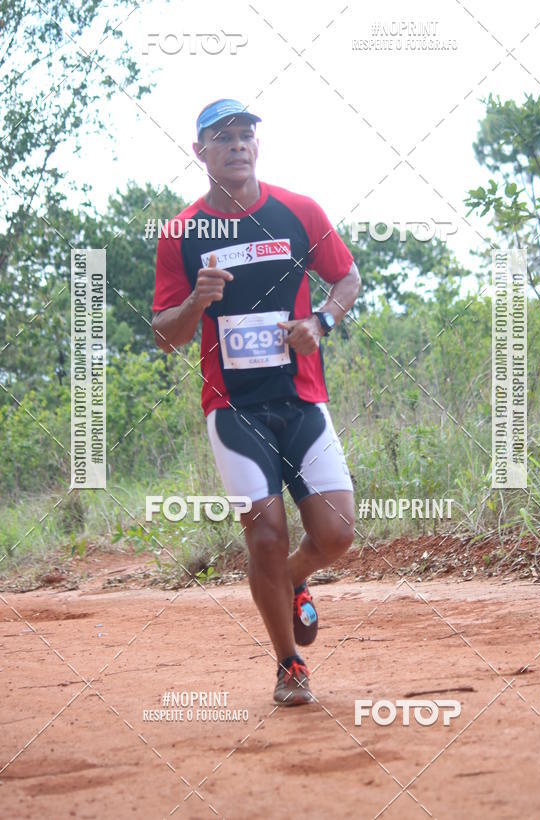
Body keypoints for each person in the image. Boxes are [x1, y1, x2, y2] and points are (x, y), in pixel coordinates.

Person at [152, 98, 361, 705]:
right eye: (223, 137)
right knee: (265, 535)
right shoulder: (181, 233)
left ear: (257, 146)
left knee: (337, 533)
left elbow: (347, 277)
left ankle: (292, 578)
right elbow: (165, 334)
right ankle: (289, 665)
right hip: (233, 409)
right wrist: (196, 301)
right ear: (201, 152)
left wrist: (320, 321)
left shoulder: (299, 211)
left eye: (246, 135)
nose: (238, 145)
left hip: (302, 399)